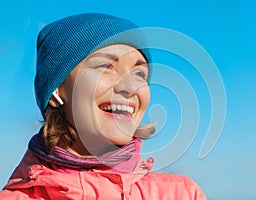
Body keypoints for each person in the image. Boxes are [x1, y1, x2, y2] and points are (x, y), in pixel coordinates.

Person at [0, 13, 207, 199]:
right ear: (56, 90)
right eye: (107, 66)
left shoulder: (181, 194)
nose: (130, 87)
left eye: (139, 74)